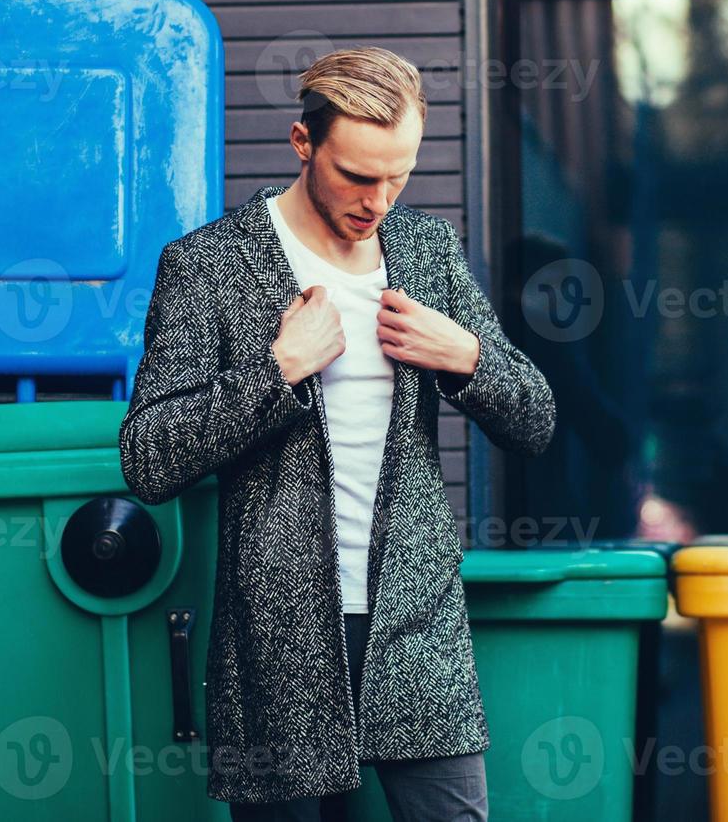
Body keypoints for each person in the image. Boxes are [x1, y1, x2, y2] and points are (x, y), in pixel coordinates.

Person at [118, 46, 556, 820]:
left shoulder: (426, 254)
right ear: (302, 143)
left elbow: (536, 419)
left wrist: (470, 358)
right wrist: (277, 370)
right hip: (276, 632)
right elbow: (149, 456)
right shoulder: (210, 265)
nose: (379, 199)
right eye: (358, 176)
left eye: (399, 176)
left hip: (414, 619)